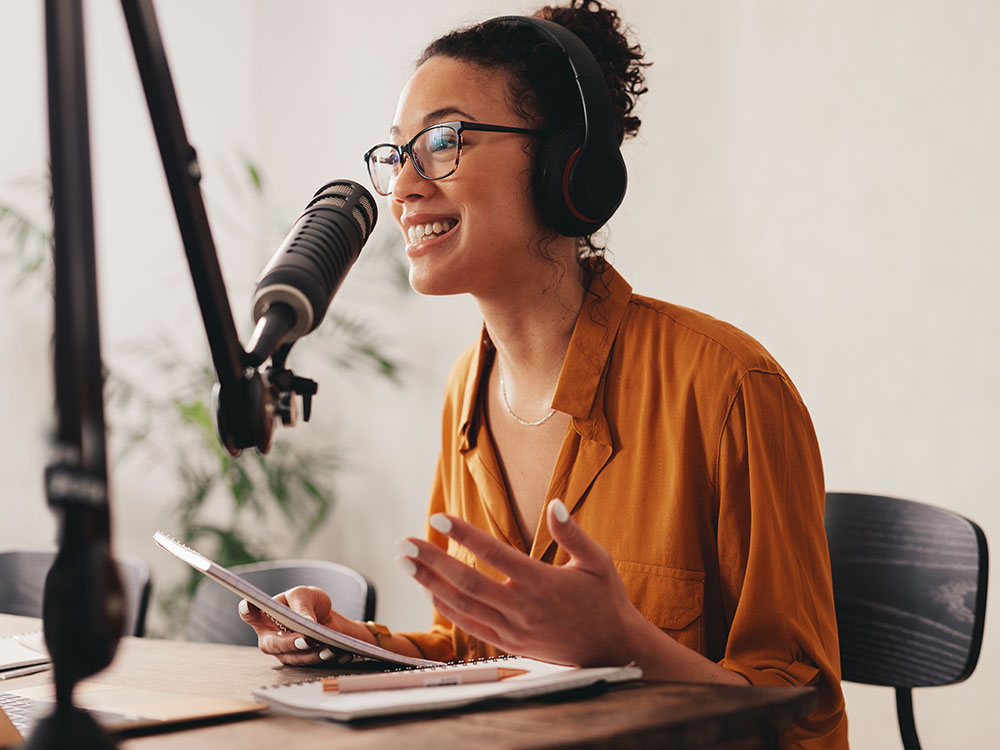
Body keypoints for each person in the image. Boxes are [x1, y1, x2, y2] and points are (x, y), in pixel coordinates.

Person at [239, 2, 848, 746]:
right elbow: (480, 657)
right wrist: (357, 645)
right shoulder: (468, 391)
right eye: (398, 153)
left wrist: (625, 643)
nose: (403, 188)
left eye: (442, 140)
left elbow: (806, 718)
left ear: (568, 168)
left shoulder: (726, 390)